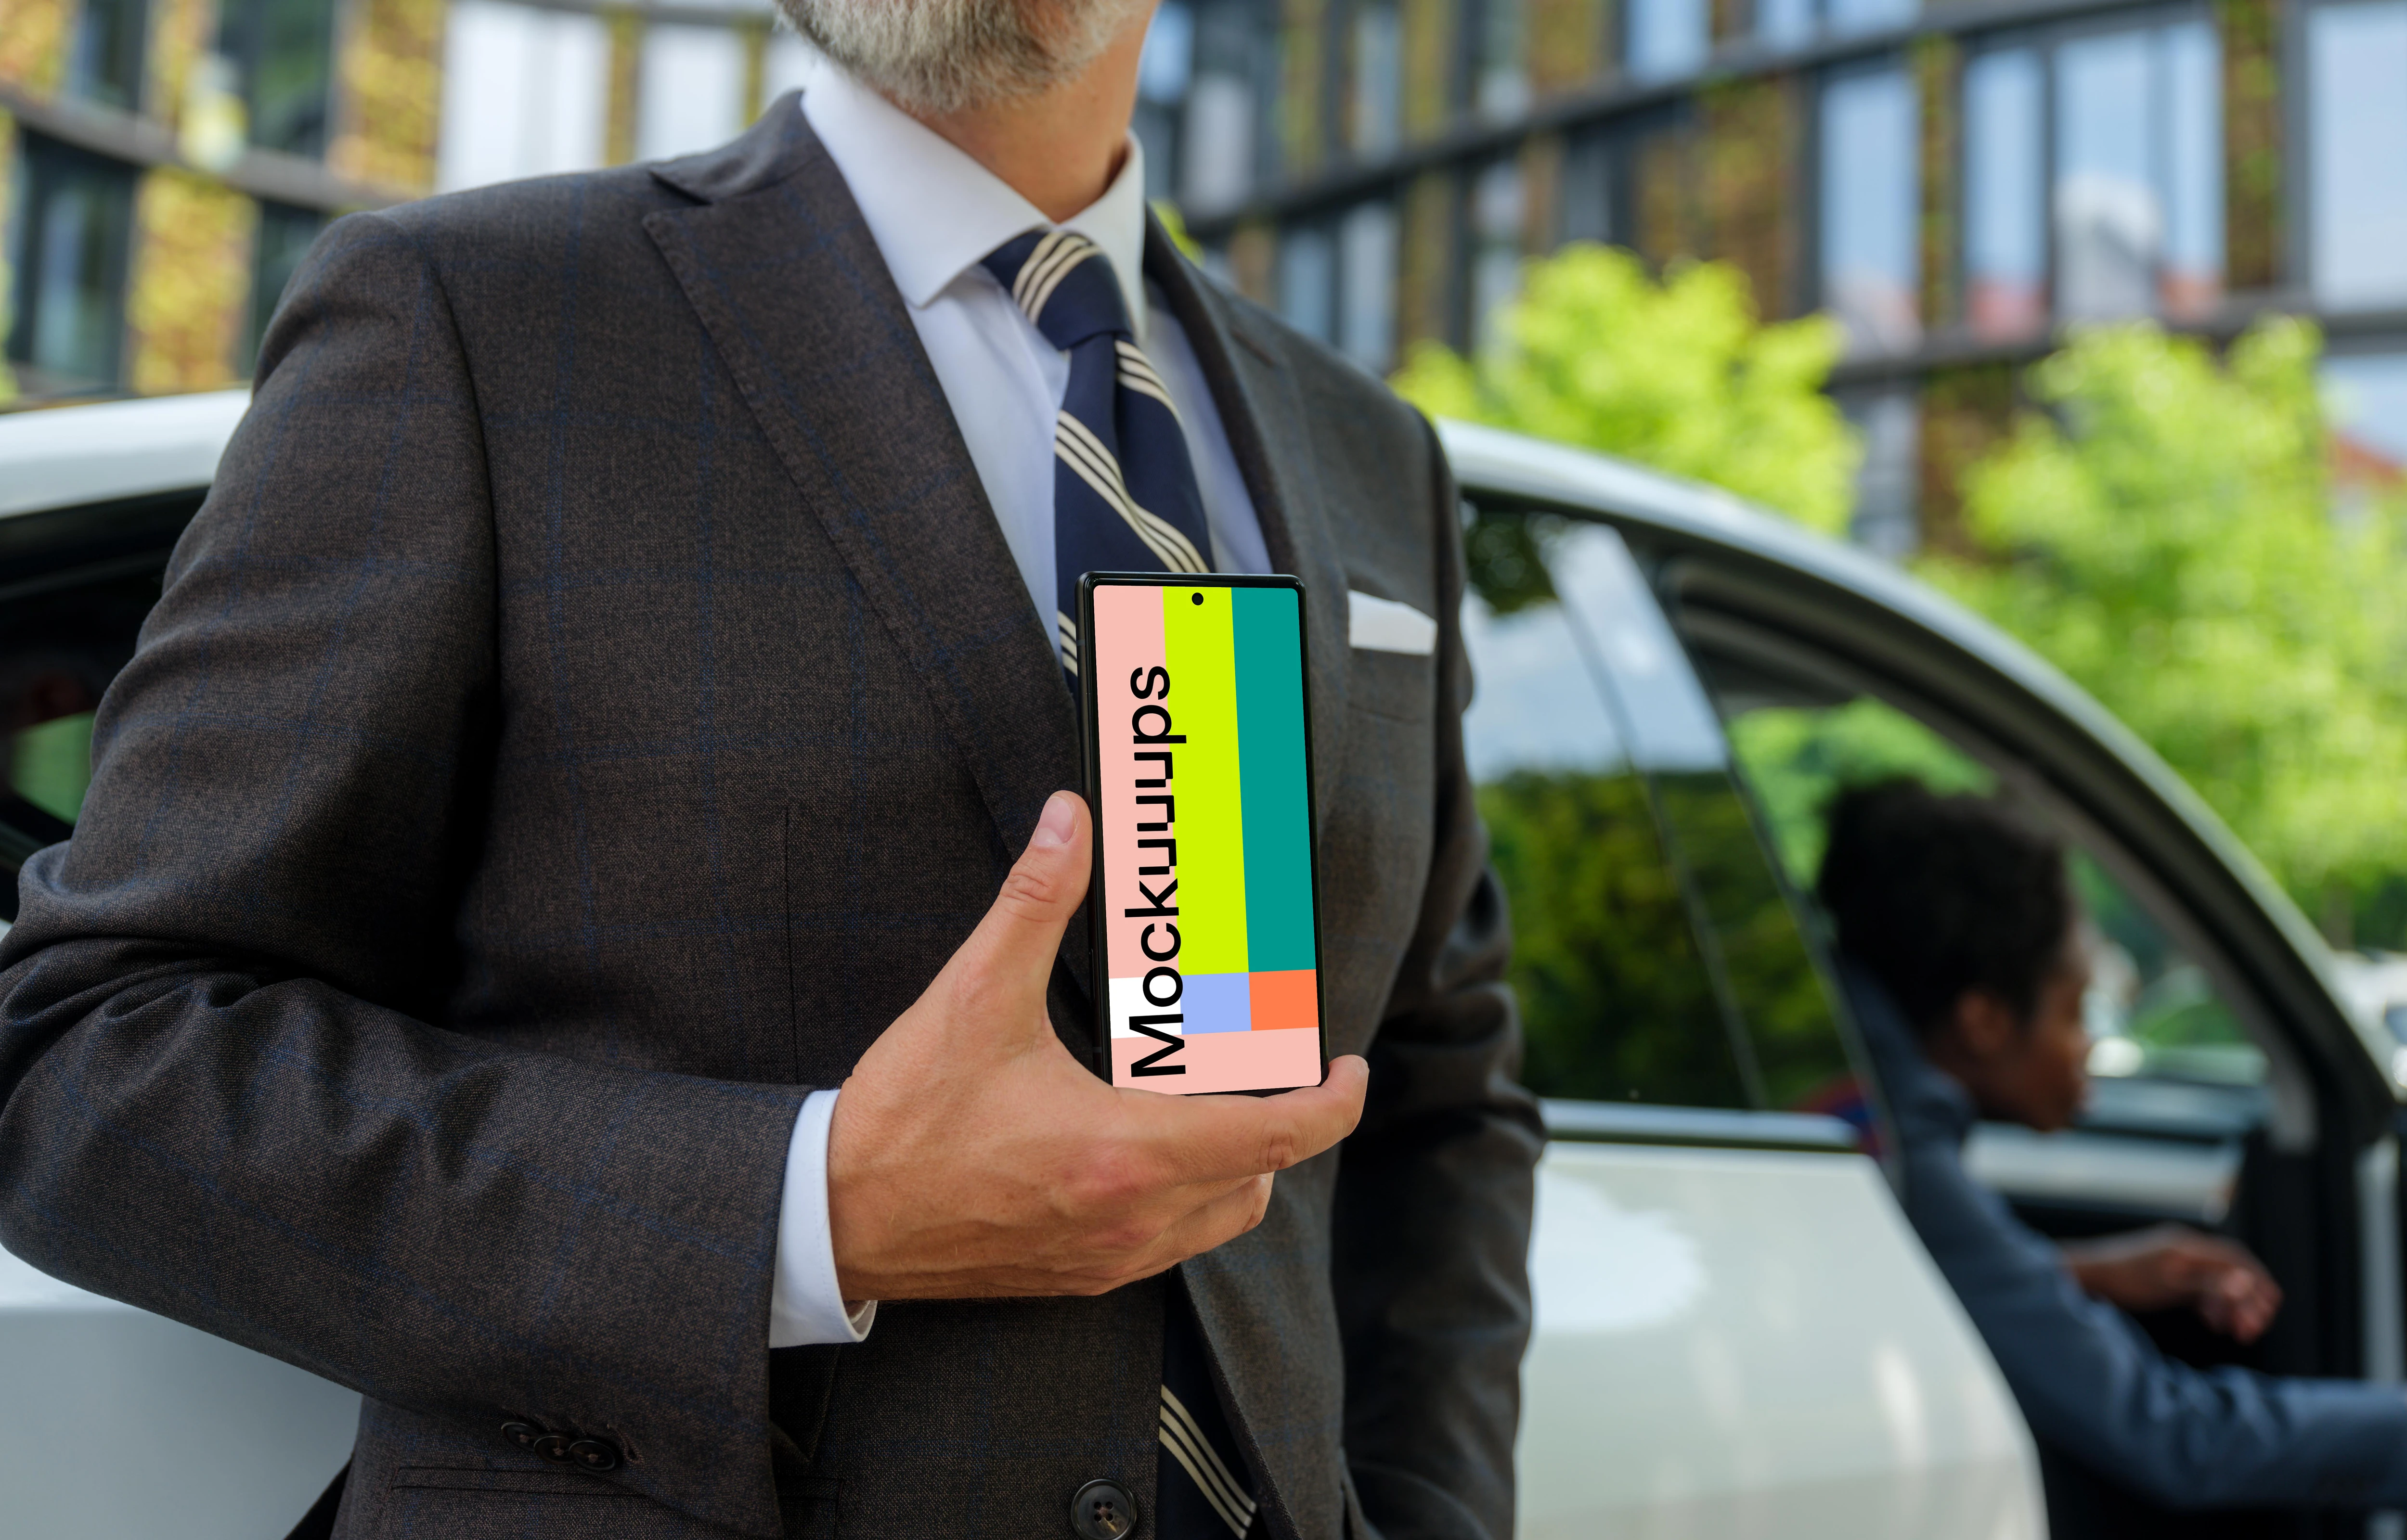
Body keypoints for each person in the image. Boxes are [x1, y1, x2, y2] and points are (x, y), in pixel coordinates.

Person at [0, 2, 1542, 1536]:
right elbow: (87, 1060)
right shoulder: (471, 317)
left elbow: (1435, 1088)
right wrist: (810, 1207)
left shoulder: (1367, 449)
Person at [1818, 777, 2407, 1515]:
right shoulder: (1896, 1150)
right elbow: (2176, 1440)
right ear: (1984, 1022)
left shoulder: (1832, 1095)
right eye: (2075, 1012)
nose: (2089, 1049)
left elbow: (1911, 1277)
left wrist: (2079, 1273)